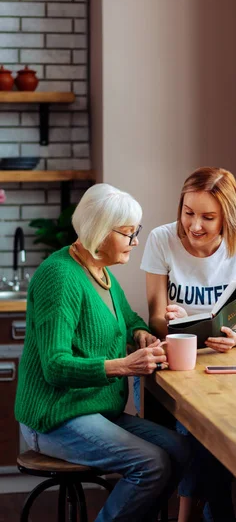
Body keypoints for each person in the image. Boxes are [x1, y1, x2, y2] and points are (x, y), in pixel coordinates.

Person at [15, 183, 190, 522]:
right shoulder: (60, 276)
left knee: (181, 451)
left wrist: (140, 334)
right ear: (99, 232)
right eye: (128, 233)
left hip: (97, 410)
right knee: (152, 464)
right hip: (55, 417)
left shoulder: (101, 273)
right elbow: (54, 366)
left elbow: (129, 320)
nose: (135, 241)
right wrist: (122, 366)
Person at [140, 167, 236, 522]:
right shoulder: (161, 239)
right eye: (188, 212)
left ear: (227, 215)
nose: (195, 225)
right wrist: (173, 318)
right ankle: (192, 515)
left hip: (223, 364)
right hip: (176, 362)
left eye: (208, 217)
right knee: (197, 435)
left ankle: (194, 515)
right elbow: (154, 319)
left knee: (217, 439)